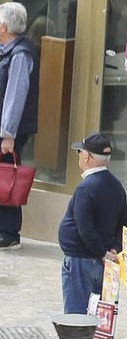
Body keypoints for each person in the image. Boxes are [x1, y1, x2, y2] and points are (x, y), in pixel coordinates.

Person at [0, 1, 38, 249]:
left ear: (5, 26)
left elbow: (15, 95)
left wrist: (8, 133)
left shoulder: (20, 54)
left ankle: (9, 232)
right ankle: (1, 226)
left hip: (7, 130)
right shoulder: (6, 50)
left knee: (7, 177)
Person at [58, 133, 127, 316]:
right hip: (102, 263)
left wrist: (103, 253)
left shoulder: (85, 188)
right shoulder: (117, 187)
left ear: (87, 156)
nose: (79, 155)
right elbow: (123, 224)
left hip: (81, 260)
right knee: (96, 317)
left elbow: (85, 229)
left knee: (76, 317)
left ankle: (78, 338)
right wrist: (113, 249)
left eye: (80, 152)